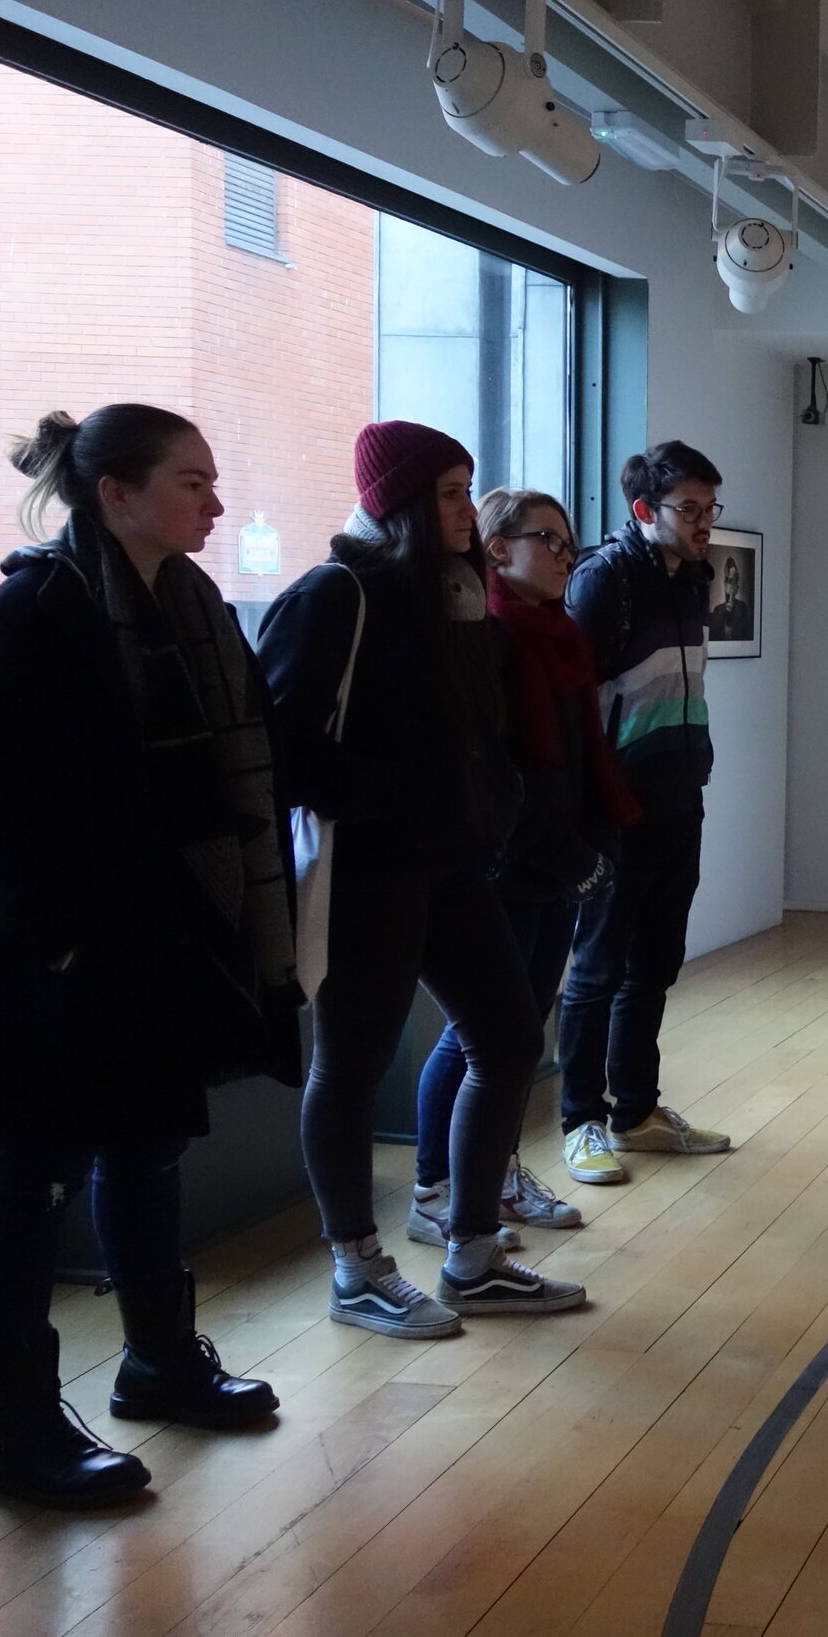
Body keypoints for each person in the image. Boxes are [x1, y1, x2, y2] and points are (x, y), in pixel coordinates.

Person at [0, 406, 294, 1506]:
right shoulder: (28, 615)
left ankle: (160, 1359)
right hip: (53, 963)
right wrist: (59, 939)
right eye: (191, 480)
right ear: (113, 492)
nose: (214, 500)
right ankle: (16, 1424)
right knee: (27, 1177)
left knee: (149, 1147)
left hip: (157, 941)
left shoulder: (190, 609)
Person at [260, 421, 584, 1334]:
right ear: (399, 499)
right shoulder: (335, 596)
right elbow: (281, 749)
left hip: (449, 862)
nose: (463, 510)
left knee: (511, 1036)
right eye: (446, 492)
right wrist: (393, 795)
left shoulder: (459, 600)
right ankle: (357, 1267)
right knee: (354, 1068)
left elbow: (477, 735)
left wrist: (490, 802)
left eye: (465, 489)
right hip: (367, 869)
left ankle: (472, 1254)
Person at [407, 490, 638, 1245]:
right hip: (510, 866)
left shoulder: (560, 634)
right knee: (479, 1038)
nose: (568, 554)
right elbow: (507, 774)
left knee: (516, 1032)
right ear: (498, 549)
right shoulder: (494, 633)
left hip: (558, 864)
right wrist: (569, 854)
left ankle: (491, 1173)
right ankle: (435, 1187)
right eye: (550, 538)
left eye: (571, 542)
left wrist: (587, 850)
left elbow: (575, 761)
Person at [556, 442, 735, 1182]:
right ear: (642, 511)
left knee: (655, 963)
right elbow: (575, 703)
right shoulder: (605, 581)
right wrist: (596, 798)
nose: (705, 524)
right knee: (597, 967)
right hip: (616, 806)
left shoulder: (690, 577)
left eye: (709, 508)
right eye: (689, 509)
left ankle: (635, 1110)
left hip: (678, 797)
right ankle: (579, 1122)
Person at [706, 553, 752, 644]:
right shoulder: (717, 611)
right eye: (726, 580)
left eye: (731, 581)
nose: (727, 587)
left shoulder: (743, 610)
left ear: (736, 588)